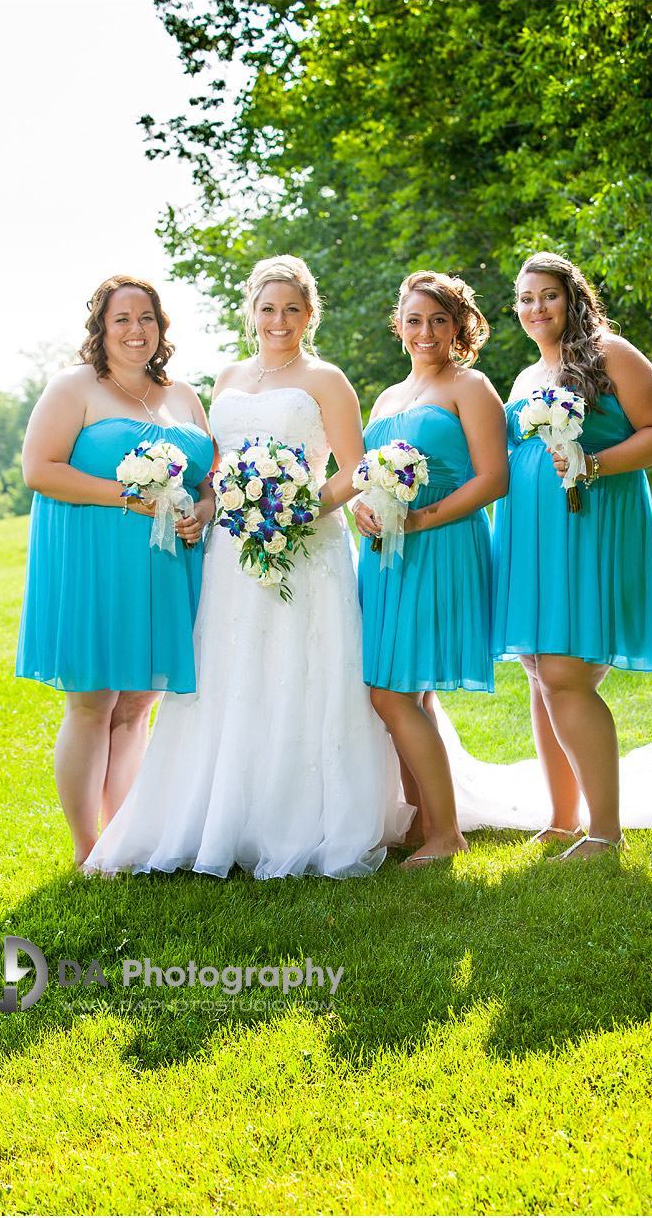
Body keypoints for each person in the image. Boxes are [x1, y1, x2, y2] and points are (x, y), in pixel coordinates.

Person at [84, 255, 412, 880]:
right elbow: (215, 468)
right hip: (232, 553)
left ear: (309, 314)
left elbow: (354, 469)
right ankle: (221, 814)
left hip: (307, 545)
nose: (279, 320)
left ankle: (302, 818)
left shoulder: (327, 379)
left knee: (303, 671)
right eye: (268, 308)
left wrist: (293, 508)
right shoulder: (227, 378)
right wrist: (222, 507)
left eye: (292, 308)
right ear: (251, 313)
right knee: (231, 674)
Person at [16, 275, 215, 867]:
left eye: (147, 318)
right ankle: (86, 849)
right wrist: (125, 497)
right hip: (94, 560)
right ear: (101, 327)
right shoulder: (74, 386)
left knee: (137, 704)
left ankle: (121, 839)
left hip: (166, 564)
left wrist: (202, 513)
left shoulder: (182, 395)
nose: (136, 330)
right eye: (122, 319)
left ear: (162, 327)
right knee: (94, 701)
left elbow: (208, 483)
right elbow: (39, 469)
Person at [491, 250, 652, 860]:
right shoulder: (525, 379)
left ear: (572, 297)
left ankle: (605, 830)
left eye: (546, 294)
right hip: (534, 536)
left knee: (565, 673)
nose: (535, 307)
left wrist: (595, 463)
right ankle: (562, 817)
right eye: (524, 298)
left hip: (594, 526)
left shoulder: (611, 354)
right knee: (538, 670)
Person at [353, 271, 509, 868]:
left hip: (441, 543)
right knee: (404, 689)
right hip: (386, 554)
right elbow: (371, 473)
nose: (426, 332)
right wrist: (368, 509)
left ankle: (447, 834)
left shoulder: (471, 387)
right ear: (399, 325)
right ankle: (422, 824)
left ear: (459, 326)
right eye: (415, 320)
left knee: (390, 694)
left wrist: (422, 520)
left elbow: (492, 478)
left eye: (439, 320)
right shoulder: (389, 397)